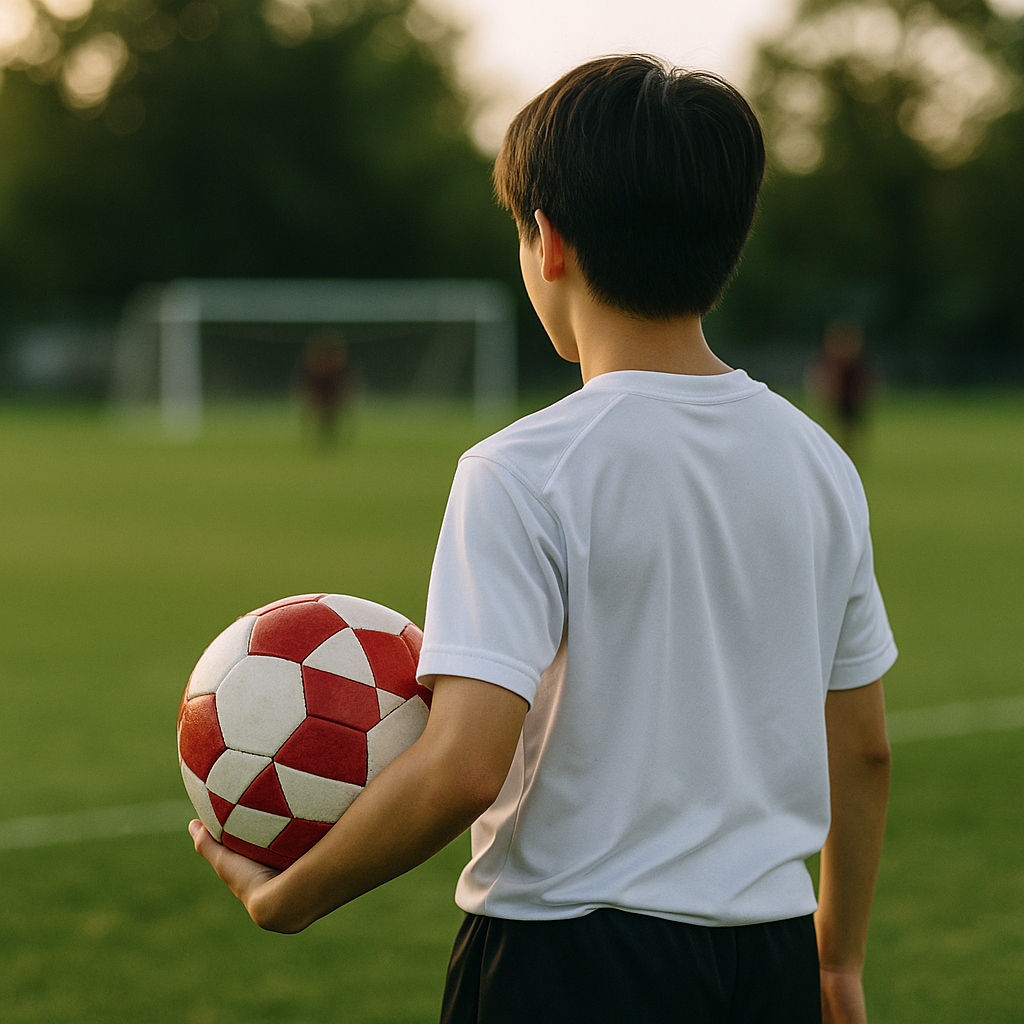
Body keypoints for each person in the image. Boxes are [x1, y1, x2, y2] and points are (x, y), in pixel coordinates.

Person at [189, 55, 897, 1024]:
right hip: (767, 952)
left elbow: (465, 764)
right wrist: (838, 960)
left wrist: (289, 897)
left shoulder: (521, 470)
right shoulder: (821, 464)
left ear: (547, 241)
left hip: (568, 953)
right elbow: (862, 751)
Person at [805, 319, 878, 460]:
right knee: (837, 429)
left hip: (853, 399)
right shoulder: (832, 361)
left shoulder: (858, 362)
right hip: (839, 399)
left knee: (851, 431)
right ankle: (838, 455)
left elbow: (868, 380)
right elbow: (822, 377)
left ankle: (846, 455)